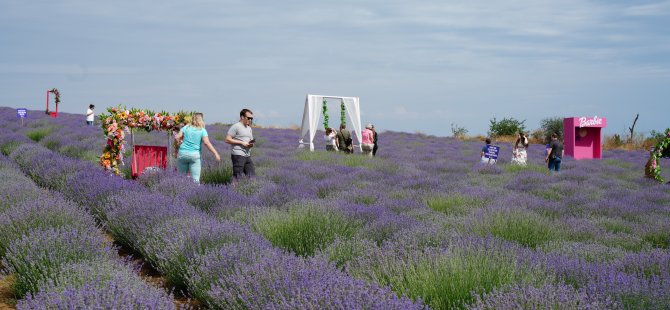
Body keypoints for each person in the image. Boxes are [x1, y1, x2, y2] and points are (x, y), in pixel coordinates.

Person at [174, 113, 221, 183]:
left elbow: (177, 137)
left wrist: (177, 147)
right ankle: (194, 193)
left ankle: (179, 192)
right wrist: (215, 153)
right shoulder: (202, 130)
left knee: (181, 178)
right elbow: (206, 143)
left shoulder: (186, 127)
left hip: (182, 154)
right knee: (195, 179)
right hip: (194, 155)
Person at [226, 108, 256, 179]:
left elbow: (249, 140)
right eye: (248, 118)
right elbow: (227, 139)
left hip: (247, 155)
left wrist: (251, 144)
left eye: (251, 118)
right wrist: (242, 143)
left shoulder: (249, 128)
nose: (250, 120)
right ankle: (234, 189)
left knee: (252, 176)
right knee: (237, 177)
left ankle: (250, 189)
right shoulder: (236, 126)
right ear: (242, 117)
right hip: (238, 155)